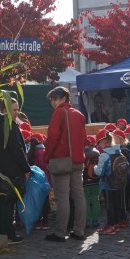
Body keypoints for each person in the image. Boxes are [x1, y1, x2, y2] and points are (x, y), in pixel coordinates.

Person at [42, 86, 87, 242]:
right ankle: (79, 230)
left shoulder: (59, 113)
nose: (53, 102)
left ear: (63, 99)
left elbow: (52, 138)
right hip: (78, 160)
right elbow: (84, 139)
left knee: (63, 197)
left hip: (61, 160)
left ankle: (61, 232)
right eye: (51, 100)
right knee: (79, 196)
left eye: (55, 99)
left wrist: (47, 157)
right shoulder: (79, 115)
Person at [0, 97, 30, 244]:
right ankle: (9, 234)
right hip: (10, 171)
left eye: (17, 109)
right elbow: (16, 149)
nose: (17, 113)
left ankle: (1, 233)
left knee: (0, 203)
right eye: (14, 110)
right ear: (5, 109)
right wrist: (26, 168)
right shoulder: (8, 125)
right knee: (7, 204)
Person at [96, 131, 125, 235]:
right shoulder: (118, 151)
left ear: (105, 142)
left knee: (109, 205)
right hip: (118, 182)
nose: (99, 145)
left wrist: (94, 167)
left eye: (99, 142)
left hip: (107, 183)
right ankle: (116, 224)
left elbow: (99, 171)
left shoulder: (104, 155)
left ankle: (110, 225)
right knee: (117, 204)